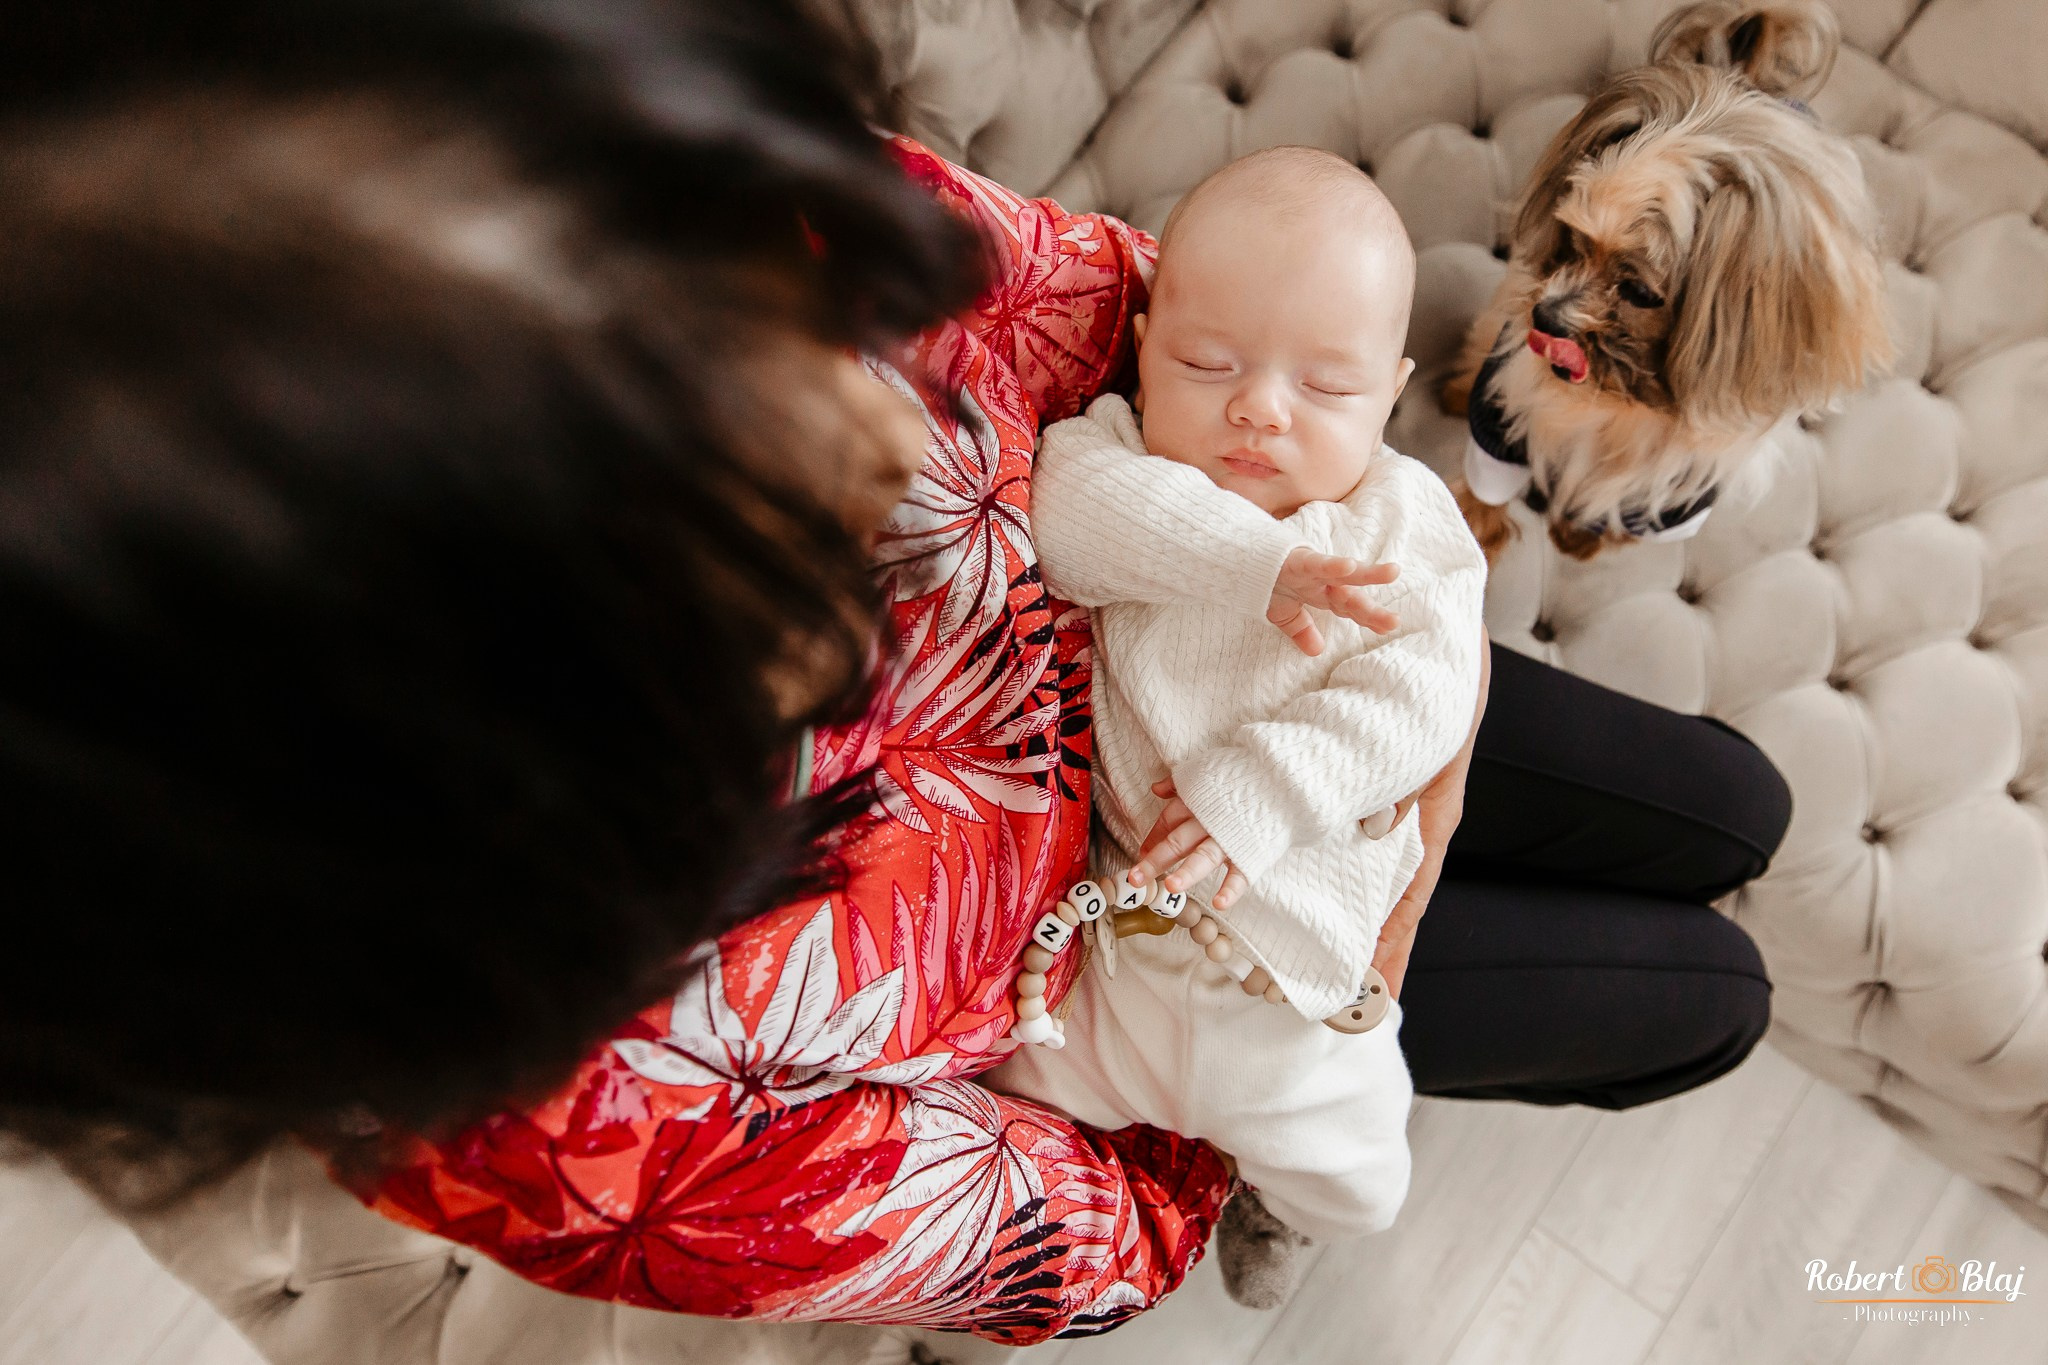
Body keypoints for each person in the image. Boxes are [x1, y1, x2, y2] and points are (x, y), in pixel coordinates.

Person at [0, 0, 1782, 1346]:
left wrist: (1400, 670)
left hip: (1281, 626)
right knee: (1710, 1002)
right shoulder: (565, 1119)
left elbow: (1162, 300)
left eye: (763, 327)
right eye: (739, 532)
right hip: (1174, 957)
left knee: (1732, 803)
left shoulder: (585, 167)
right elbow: (1078, 1236)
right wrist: (1308, 999)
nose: (882, 448)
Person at [990, 149, 1486, 1307]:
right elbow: (1061, 521)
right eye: (1206, 364)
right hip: (1112, 966)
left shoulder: (1399, 520)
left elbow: (1424, 693)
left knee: (1363, 1188)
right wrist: (1252, 562)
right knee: (1010, 1086)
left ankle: (1270, 1204)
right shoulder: (1115, 458)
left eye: (1326, 388)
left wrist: (1264, 788)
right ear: (1145, 341)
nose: (1259, 407)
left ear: (1389, 393)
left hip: (1290, 1001)